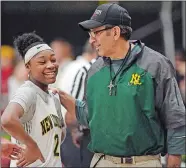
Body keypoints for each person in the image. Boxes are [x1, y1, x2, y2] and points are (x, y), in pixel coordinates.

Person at [54, 3, 186, 168]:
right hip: (101, 161)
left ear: (115, 32)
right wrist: (70, 102)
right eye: (90, 34)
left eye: (96, 32)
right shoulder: (94, 70)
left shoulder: (156, 65)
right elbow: (92, 116)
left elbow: (175, 116)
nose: (91, 39)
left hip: (143, 163)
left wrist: (175, 156)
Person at [1, 32, 65, 167]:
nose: (50, 65)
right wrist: (32, 146)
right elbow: (7, 120)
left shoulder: (54, 97)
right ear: (28, 67)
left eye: (53, 60)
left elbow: (55, 143)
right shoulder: (28, 91)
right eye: (42, 62)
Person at [60, 41, 96, 167]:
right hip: (76, 132)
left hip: (68, 130)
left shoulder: (72, 66)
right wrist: (75, 130)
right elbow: (73, 107)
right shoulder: (84, 69)